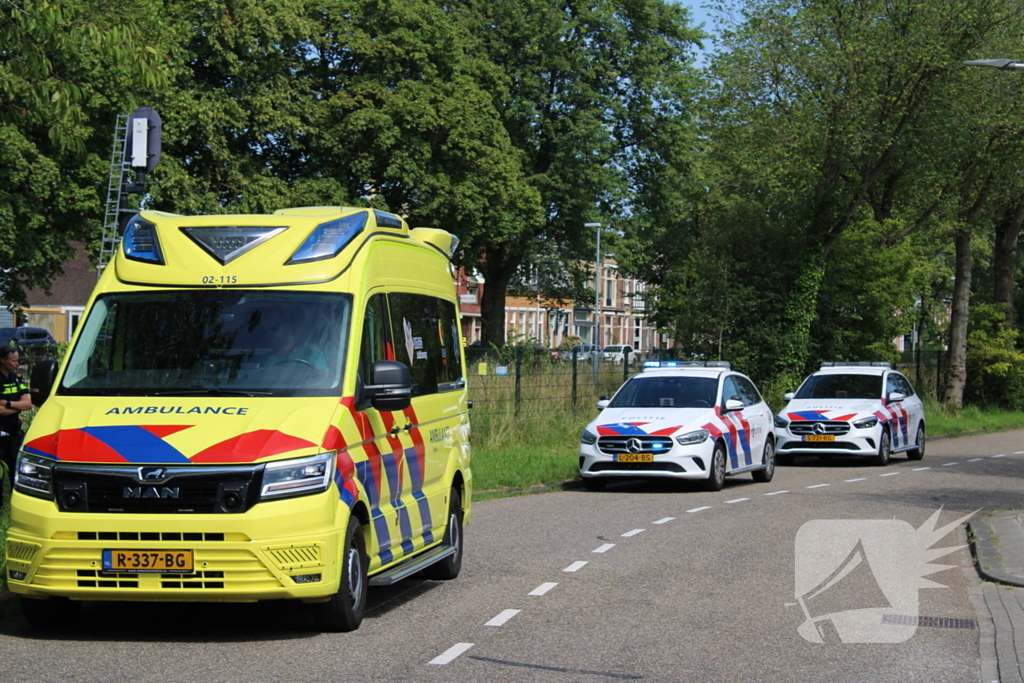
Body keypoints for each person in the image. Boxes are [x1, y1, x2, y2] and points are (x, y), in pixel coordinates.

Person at [0, 345, 31, 495]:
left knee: (16, 469)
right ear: (2, 360)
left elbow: (29, 404)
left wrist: (8, 404)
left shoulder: (16, 379)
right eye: (13, 361)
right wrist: (19, 406)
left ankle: (15, 498)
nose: (17, 364)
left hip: (14, 433)